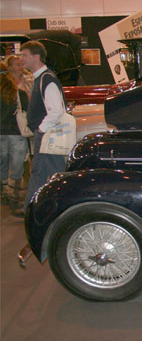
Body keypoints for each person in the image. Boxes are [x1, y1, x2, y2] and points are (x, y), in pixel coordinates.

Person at [19, 40, 67, 212]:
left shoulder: (46, 80)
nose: (21, 59)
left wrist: (41, 129)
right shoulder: (42, 79)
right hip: (48, 135)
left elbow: (56, 111)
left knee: (41, 173)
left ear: (36, 56)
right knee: (53, 173)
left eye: (24, 55)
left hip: (47, 135)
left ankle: (30, 210)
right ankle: (57, 207)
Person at [0, 62, 29, 217]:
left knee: (2, 165)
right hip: (16, 133)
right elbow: (27, 111)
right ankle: (14, 197)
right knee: (17, 167)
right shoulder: (19, 93)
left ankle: (4, 192)